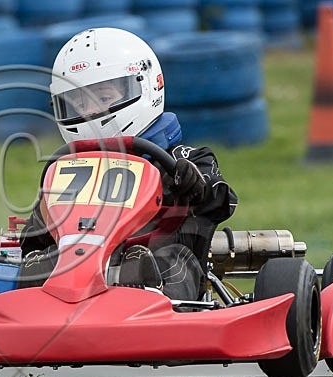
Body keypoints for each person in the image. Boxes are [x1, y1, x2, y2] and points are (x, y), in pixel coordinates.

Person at [20, 27, 238, 301]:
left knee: (168, 260)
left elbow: (220, 201)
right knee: (39, 264)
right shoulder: (67, 172)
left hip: (165, 280)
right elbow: (32, 240)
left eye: (104, 98)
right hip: (75, 282)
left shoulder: (184, 159)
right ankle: (33, 306)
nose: (90, 112)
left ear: (146, 86)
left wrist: (194, 185)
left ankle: (143, 292)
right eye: (78, 105)